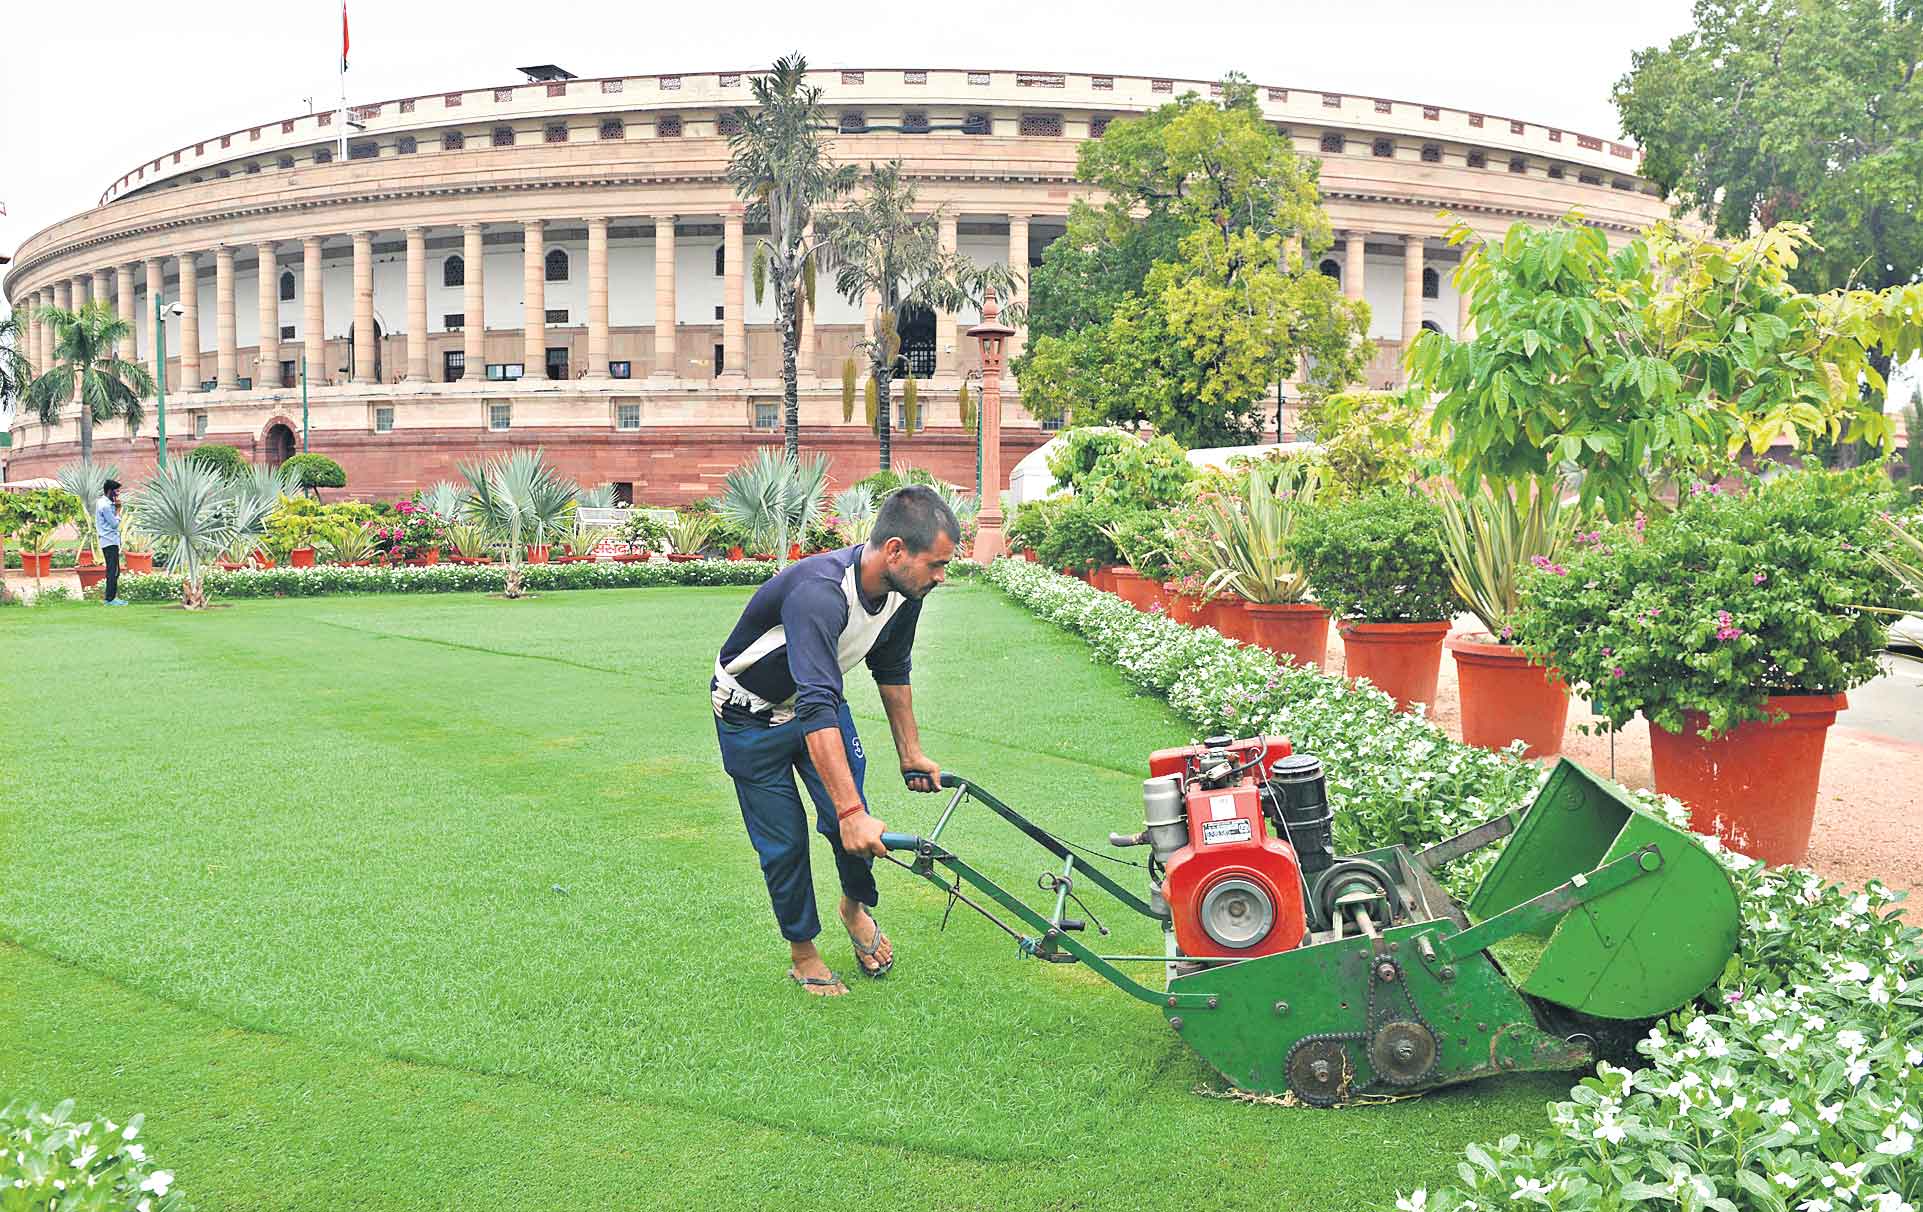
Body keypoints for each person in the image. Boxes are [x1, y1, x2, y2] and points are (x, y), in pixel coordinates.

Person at [712, 485, 956, 997]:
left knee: (852, 810)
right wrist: (849, 814)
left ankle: (853, 905)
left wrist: (909, 754)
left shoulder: (904, 591)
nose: (941, 576)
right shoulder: (819, 592)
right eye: (935, 564)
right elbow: (818, 699)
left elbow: (891, 667)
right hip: (749, 718)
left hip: (816, 705)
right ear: (894, 550)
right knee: (784, 841)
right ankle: (804, 955)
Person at [97, 479, 125, 606]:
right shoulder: (106, 506)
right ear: (109, 491)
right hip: (109, 541)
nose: (118, 493)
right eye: (116, 491)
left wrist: (115, 506)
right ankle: (110, 599)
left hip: (108, 540)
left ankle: (111, 597)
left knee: (113, 570)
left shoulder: (102, 502)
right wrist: (118, 510)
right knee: (113, 571)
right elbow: (114, 524)